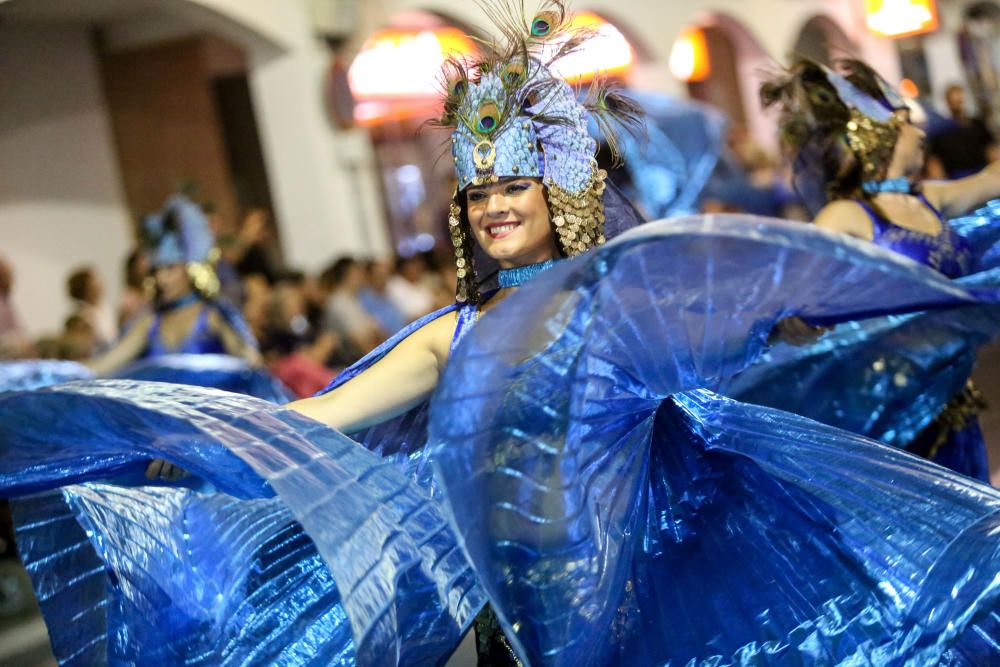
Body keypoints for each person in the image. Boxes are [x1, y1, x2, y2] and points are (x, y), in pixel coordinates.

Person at [2, 5, 1000, 665]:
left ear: (559, 195)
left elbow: (744, 339)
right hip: (515, 608)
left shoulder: (614, 295)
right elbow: (325, 417)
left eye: (512, 185)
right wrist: (197, 453)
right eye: (477, 190)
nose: (491, 207)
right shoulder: (452, 333)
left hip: (650, 581)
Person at [744, 58, 1000, 481]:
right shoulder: (849, 216)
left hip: (954, 404)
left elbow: (992, 180)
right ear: (872, 134)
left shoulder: (928, 199)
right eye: (904, 123)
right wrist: (796, 321)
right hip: (891, 420)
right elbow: (791, 295)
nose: (920, 133)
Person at [86, 194, 260, 376]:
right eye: (156, 271)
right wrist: (63, 373)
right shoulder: (150, 323)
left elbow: (252, 365)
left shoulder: (214, 315)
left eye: (170, 269)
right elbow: (105, 364)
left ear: (190, 268)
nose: (161, 279)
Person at [927, 83, 999, 179]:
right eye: (953, 100)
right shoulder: (941, 130)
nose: (956, 102)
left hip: (983, 174)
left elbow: (990, 150)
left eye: (958, 98)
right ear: (947, 101)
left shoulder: (977, 124)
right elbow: (935, 161)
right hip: (957, 179)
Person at [66, 266, 117, 349]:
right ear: (86, 289)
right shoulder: (83, 317)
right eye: (94, 281)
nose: (100, 283)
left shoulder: (104, 307)